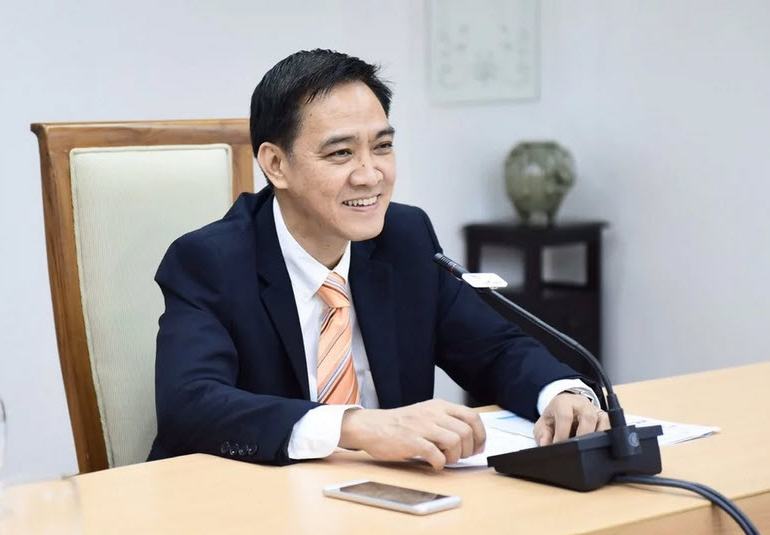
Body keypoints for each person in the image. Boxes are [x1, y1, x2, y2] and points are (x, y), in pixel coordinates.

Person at [148, 49, 610, 470]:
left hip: (392, 498)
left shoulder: (405, 238)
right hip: (251, 503)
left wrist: (560, 393)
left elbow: (495, 350)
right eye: (341, 153)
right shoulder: (209, 261)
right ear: (276, 165)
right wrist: (356, 427)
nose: (370, 176)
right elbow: (190, 406)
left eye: (383, 147)